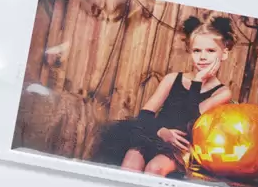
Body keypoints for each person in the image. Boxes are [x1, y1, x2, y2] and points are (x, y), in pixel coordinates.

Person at [95, 16, 237, 176]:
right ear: (190, 51)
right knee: (131, 162)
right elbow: (145, 115)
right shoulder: (172, 78)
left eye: (210, 51)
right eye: (197, 50)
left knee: (155, 168)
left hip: (182, 145)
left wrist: (198, 81)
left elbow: (190, 119)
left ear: (224, 53)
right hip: (155, 133)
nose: (203, 57)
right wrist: (162, 132)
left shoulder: (222, 92)